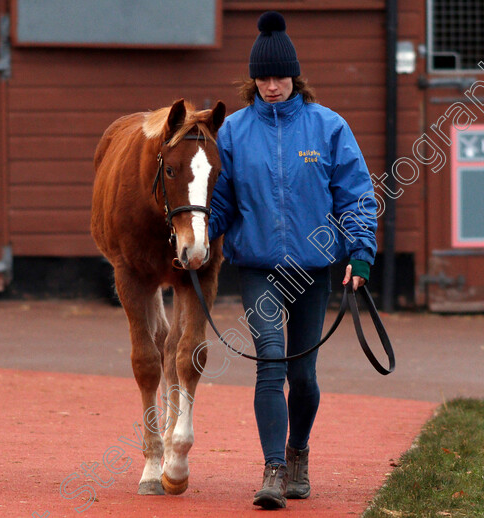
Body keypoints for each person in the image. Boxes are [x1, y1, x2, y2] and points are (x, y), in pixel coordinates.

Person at [207, 10, 378, 510]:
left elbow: (356, 197)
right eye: (263, 77)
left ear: (295, 77)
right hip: (258, 268)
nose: (272, 85)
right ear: (252, 79)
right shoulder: (233, 133)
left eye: (280, 76)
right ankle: (273, 471)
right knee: (271, 366)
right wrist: (193, 244)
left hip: (311, 267)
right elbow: (220, 202)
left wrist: (360, 255)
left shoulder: (328, 127)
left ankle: (298, 452)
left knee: (303, 375)